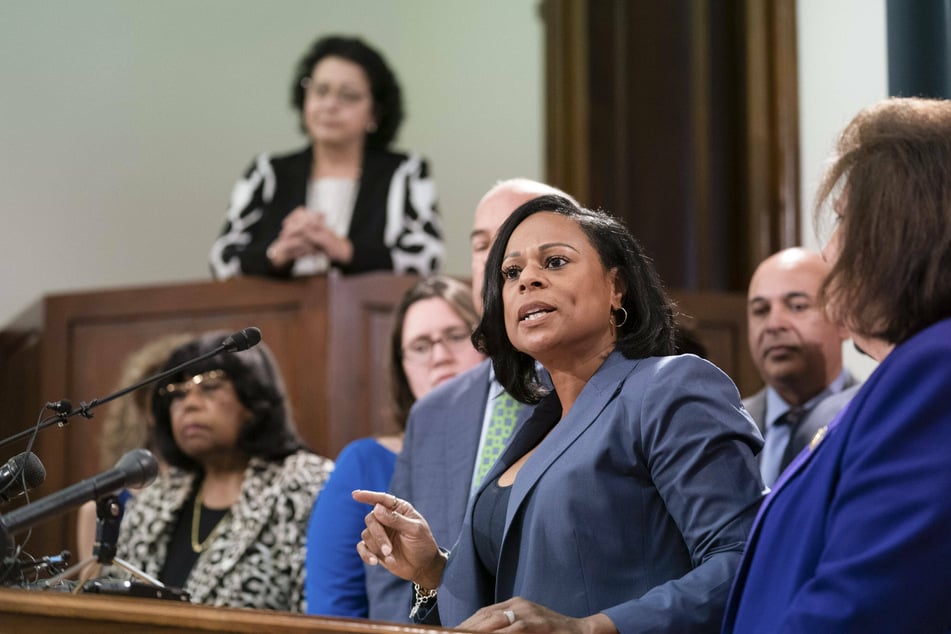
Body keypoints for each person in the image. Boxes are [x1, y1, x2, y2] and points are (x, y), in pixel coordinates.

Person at [356, 195, 764, 632]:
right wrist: (432, 570)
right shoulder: (538, 426)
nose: (527, 279)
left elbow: (744, 562)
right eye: (511, 272)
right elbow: (519, 596)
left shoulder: (668, 387)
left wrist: (589, 628)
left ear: (616, 287)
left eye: (553, 262)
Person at [722, 97, 951, 631]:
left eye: (845, 219)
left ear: (904, 230)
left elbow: (860, 605)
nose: (828, 252)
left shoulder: (934, 369)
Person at [366, 179, 575, 622]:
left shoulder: (592, 384)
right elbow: (393, 568)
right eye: (484, 245)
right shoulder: (433, 412)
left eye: (517, 239)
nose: (500, 259)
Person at [304, 276, 485, 617]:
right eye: (420, 346)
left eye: (456, 336)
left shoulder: (518, 441)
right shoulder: (363, 463)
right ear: (402, 368)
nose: (440, 357)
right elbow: (334, 609)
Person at [114, 332, 333, 612]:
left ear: (253, 401)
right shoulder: (155, 497)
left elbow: (319, 612)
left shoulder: (308, 485)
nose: (189, 403)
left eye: (209, 386)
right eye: (177, 393)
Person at [209, 35, 443, 279]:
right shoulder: (267, 172)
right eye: (320, 91)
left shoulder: (406, 171)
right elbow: (221, 261)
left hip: (374, 315)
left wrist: (344, 250)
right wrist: (277, 254)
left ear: (375, 112)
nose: (330, 105)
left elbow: (428, 258)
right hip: (281, 314)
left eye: (348, 95)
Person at [743, 247, 859, 486]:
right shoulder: (729, 428)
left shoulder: (871, 415)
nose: (773, 325)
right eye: (760, 310)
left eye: (797, 306)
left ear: (843, 320)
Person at [75, 333, 192, 567]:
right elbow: (89, 592)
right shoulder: (102, 508)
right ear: (146, 409)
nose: (190, 405)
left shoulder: (215, 491)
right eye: (175, 395)